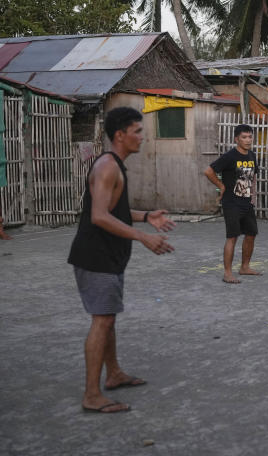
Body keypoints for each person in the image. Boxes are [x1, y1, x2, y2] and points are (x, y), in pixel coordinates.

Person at [67, 107, 176, 413]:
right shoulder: (107, 167)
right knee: (102, 321)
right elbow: (99, 216)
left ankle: (113, 374)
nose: (143, 137)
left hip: (109, 256)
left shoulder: (116, 165)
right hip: (96, 257)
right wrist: (143, 237)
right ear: (120, 135)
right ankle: (91, 395)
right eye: (138, 131)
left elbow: (114, 211)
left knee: (108, 317)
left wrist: (145, 217)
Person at [204, 124, 261, 283]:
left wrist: (253, 194)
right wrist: (221, 186)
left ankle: (245, 267)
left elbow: (253, 176)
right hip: (231, 202)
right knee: (232, 237)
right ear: (236, 139)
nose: (248, 140)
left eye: (250, 137)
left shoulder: (252, 155)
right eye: (244, 137)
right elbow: (209, 171)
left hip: (247, 202)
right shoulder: (230, 156)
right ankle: (227, 273)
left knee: (251, 234)